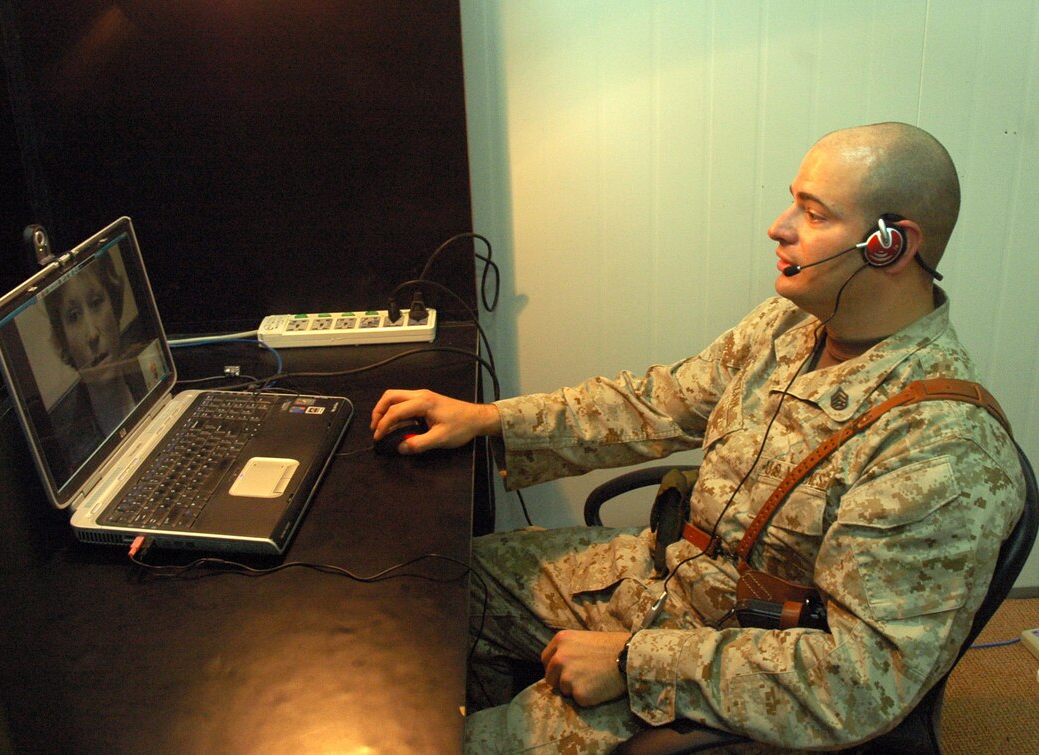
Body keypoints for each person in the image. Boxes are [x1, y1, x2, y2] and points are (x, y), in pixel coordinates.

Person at [371, 122, 1025, 752]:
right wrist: (492, 420)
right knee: (444, 585)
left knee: (447, 743)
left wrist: (634, 661)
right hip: (663, 577)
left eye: (815, 214)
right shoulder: (794, 321)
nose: (780, 226)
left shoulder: (942, 445)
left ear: (889, 244)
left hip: (733, 664)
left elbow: (858, 679)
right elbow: (662, 401)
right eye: (792, 202)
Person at [45, 250, 146, 475]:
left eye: (96, 302)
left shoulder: (152, 383)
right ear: (63, 340)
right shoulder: (76, 454)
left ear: (115, 304)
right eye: (73, 316)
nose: (91, 334)